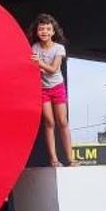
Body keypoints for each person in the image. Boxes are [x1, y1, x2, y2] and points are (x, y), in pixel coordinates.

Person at [31, 14, 75, 167]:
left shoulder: (59, 48)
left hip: (57, 87)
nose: (44, 32)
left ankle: (70, 158)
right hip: (42, 88)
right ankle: (53, 159)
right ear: (37, 31)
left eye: (48, 29)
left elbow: (53, 69)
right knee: (49, 122)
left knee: (62, 121)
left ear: (53, 32)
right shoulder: (35, 47)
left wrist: (39, 62)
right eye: (41, 29)